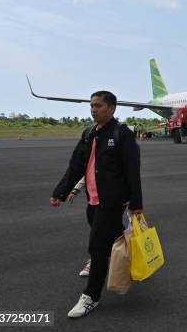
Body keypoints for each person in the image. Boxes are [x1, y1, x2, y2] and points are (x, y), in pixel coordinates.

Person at [50, 91, 143, 318]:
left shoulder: (122, 134)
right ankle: (136, 260)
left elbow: (133, 170)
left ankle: (91, 297)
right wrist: (60, 192)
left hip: (112, 201)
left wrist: (136, 203)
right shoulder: (89, 133)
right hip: (93, 198)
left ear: (111, 108)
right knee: (112, 235)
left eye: (98, 105)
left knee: (98, 246)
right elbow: (76, 166)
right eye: (91, 105)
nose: (93, 109)